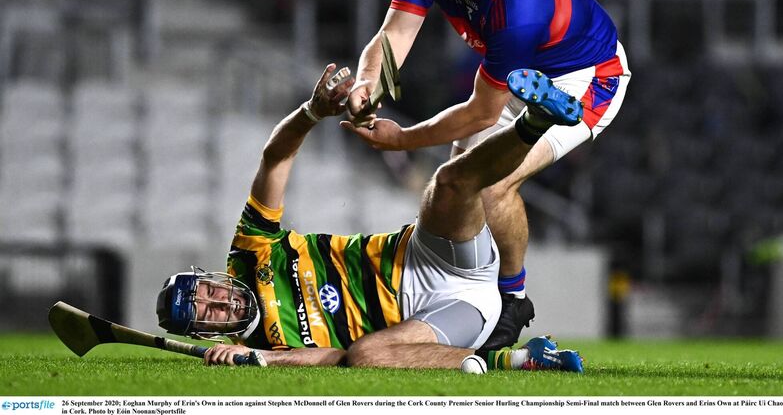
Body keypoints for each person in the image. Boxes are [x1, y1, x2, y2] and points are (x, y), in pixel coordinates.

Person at [344, 0, 631, 350]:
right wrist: (366, 84)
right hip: (517, 77)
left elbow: (481, 113)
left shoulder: (522, 9)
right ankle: (466, 298)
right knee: (454, 184)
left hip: (583, 79)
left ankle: (511, 300)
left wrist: (402, 141)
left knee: (488, 183)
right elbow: (393, 36)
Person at [157, 63, 584, 372]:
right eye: (207, 312)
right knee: (365, 357)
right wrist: (264, 356)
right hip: (440, 322)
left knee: (449, 182)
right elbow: (337, 358)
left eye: (208, 291)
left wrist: (311, 112)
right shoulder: (254, 347)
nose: (220, 301)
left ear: (213, 276)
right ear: (206, 335)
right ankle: (522, 359)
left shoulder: (249, 251)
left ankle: (536, 121)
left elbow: (275, 158)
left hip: (428, 256)